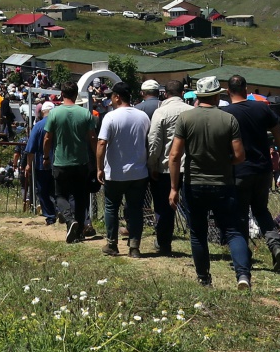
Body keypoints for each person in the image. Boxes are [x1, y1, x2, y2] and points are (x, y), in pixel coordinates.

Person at [169, 75, 251, 289]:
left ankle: (204, 278)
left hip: (194, 183)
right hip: (223, 183)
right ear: (216, 96)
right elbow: (240, 156)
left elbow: (175, 156)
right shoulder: (228, 119)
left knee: (198, 232)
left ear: (198, 96)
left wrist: (173, 187)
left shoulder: (185, 118)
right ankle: (243, 276)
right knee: (233, 230)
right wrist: (225, 162)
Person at [222, 75, 280, 271]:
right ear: (246, 89)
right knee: (261, 210)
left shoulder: (227, 113)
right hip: (263, 169)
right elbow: (278, 132)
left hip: (239, 170)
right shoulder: (261, 108)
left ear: (228, 92)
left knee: (240, 215)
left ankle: (243, 257)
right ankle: (275, 246)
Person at [96, 82, 150, 256]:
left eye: (112, 96)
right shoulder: (143, 117)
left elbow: (102, 142)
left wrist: (99, 167)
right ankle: (134, 246)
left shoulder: (110, 117)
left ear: (117, 97)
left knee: (111, 207)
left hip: (116, 172)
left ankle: (112, 244)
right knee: (135, 209)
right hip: (139, 172)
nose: (110, 99)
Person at [43, 86, 96, 243]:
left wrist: (46, 156)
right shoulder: (85, 113)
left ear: (61, 94)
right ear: (76, 94)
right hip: (81, 162)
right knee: (80, 197)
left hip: (61, 162)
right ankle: (78, 232)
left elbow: (47, 138)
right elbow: (93, 138)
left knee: (60, 194)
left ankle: (69, 219)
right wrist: (97, 160)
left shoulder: (54, 113)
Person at [145, 79, 191, 257]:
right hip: (188, 168)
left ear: (165, 94)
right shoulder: (192, 111)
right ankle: (199, 241)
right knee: (191, 208)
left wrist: (152, 164)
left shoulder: (161, 112)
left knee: (164, 209)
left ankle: (164, 243)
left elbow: (154, 141)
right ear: (182, 93)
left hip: (165, 168)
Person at [22, 102, 59, 225]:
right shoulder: (59, 125)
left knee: (43, 192)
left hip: (41, 165)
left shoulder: (38, 126)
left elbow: (30, 148)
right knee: (58, 191)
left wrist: (28, 164)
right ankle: (62, 212)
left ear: (42, 112)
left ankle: (50, 216)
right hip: (60, 163)